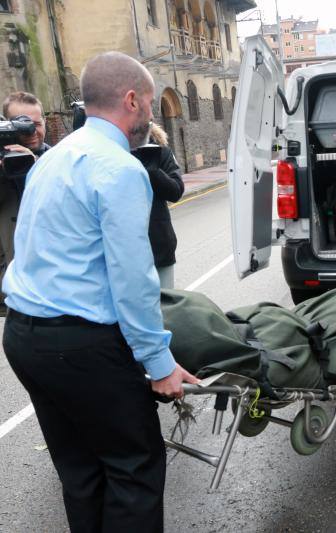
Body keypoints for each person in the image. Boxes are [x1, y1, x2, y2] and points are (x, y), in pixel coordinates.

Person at [2, 51, 199, 532]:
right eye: (150, 104)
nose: (151, 114)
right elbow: (133, 280)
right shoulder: (119, 168)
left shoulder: (52, 159)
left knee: (82, 474)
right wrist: (159, 363)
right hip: (82, 346)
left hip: (25, 338)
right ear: (132, 100)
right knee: (134, 471)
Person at [0, 92, 51, 314]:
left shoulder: (60, 159)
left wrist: (36, 166)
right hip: (13, 286)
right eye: (23, 125)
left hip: (56, 282)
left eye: (37, 124)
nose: (32, 131)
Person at [135, 122, 184, 289]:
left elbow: (176, 191)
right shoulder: (115, 152)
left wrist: (153, 171)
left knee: (166, 306)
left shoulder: (161, 151)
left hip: (159, 244)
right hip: (128, 250)